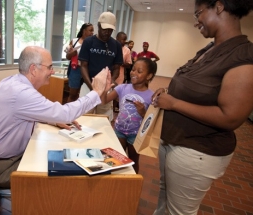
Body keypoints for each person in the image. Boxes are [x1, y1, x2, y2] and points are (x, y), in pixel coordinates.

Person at [152, 0, 253, 214]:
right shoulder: (211, 48)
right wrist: (169, 94)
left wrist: (174, 103)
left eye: (198, 13)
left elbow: (231, 117)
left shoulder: (242, 56)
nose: (197, 22)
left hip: (198, 150)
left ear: (218, 6)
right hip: (174, 141)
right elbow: (198, 91)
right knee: (165, 197)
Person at [0, 46, 110, 188]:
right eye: (50, 67)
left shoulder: (13, 82)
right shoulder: (22, 93)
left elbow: (20, 111)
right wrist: (96, 92)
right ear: (34, 69)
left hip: (2, 159)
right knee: (57, 176)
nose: (52, 71)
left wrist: (52, 119)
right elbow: (65, 114)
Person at [101, 58, 157, 173]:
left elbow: (152, 123)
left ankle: (133, 184)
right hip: (119, 131)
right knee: (115, 158)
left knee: (133, 160)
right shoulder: (122, 88)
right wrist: (104, 90)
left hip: (136, 135)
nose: (133, 73)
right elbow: (104, 101)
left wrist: (143, 112)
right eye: (133, 69)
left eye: (139, 71)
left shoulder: (151, 96)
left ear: (149, 76)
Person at [78, 11, 123, 121]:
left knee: (103, 119)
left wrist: (108, 85)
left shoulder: (116, 45)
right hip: (88, 85)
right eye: (104, 29)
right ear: (98, 25)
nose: (107, 33)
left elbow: (117, 68)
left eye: (110, 30)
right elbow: (83, 66)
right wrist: (93, 87)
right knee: (84, 117)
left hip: (105, 89)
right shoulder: (88, 42)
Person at [65, 23, 94, 102]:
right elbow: (67, 57)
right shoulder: (74, 41)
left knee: (85, 95)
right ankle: (69, 112)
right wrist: (73, 53)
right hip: (76, 69)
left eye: (93, 31)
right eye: (90, 30)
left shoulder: (93, 43)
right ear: (84, 31)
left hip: (88, 70)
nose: (92, 32)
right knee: (73, 94)